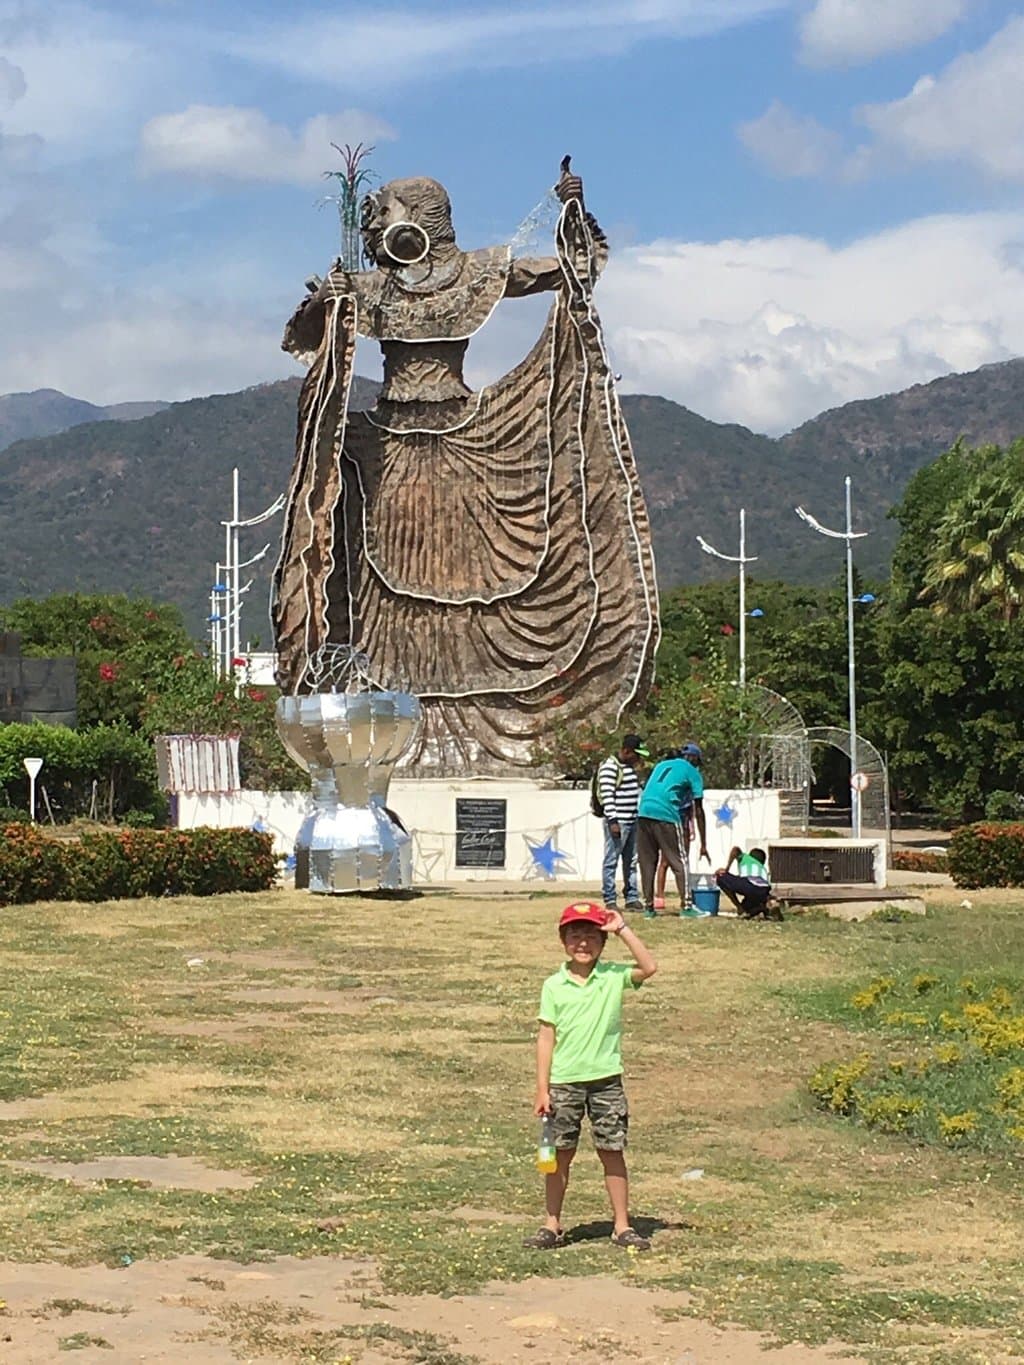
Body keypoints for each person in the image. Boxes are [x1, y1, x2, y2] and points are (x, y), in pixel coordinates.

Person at [524, 901, 657, 1251]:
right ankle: (551, 1223)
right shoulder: (553, 985)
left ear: (603, 941)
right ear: (563, 941)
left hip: (606, 1081)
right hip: (564, 1083)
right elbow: (546, 1037)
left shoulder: (612, 976)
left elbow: (649, 967)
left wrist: (623, 929)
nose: (582, 943)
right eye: (575, 936)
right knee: (559, 1155)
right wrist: (542, 1089)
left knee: (612, 1151)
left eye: (591, 936)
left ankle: (622, 1225)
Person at [637, 752, 709, 916]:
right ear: (695, 760)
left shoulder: (661, 765)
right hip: (666, 814)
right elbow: (698, 809)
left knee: (647, 862)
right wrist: (704, 841)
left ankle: (648, 908)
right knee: (679, 860)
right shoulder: (692, 771)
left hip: (644, 812)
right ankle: (687, 907)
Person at [595, 733, 648, 911]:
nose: (638, 758)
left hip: (632, 821)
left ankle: (631, 896)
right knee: (611, 860)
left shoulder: (629, 768)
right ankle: (610, 898)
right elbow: (607, 796)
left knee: (631, 861)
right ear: (626, 751)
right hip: (619, 822)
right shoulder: (610, 768)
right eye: (636, 754)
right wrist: (613, 821)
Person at [653, 742, 702, 910]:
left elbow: (692, 806)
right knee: (667, 861)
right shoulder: (685, 773)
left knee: (679, 860)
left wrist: (691, 826)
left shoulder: (684, 776)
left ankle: (681, 896)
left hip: (682, 820)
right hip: (672, 819)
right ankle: (661, 896)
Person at [716, 846, 779, 919]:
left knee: (720, 877)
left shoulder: (746, 858)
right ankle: (766, 908)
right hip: (764, 889)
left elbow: (735, 850)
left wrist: (726, 869)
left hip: (750, 885)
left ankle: (740, 908)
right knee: (748, 907)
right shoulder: (762, 868)